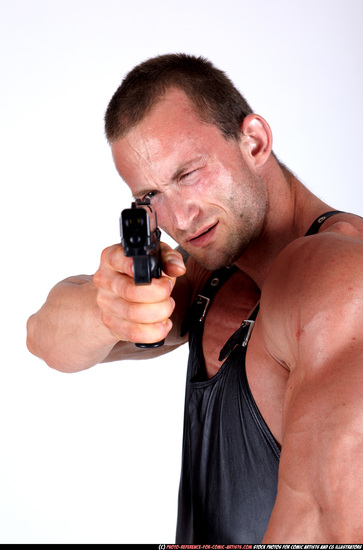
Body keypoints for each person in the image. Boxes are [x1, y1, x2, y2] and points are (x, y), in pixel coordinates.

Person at [26, 54, 363, 543]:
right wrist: (111, 305)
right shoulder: (210, 266)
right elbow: (43, 338)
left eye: (187, 175)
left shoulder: (336, 276)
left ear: (254, 142)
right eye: (150, 197)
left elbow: (328, 529)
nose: (180, 218)